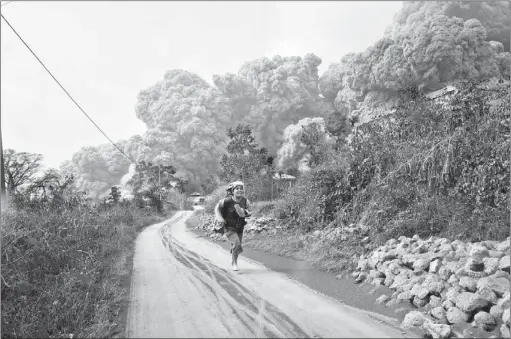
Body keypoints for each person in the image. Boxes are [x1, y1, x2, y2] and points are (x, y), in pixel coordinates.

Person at [214, 181, 252, 271]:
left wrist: (245, 212)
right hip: (229, 227)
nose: (239, 190)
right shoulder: (226, 201)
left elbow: (250, 212)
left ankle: (234, 256)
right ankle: (234, 263)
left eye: (241, 189)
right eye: (237, 189)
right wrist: (219, 218)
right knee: (237, 244)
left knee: (237, 247)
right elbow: (217, 208)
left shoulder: (246, 201)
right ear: (232, 191)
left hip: (240, 228)